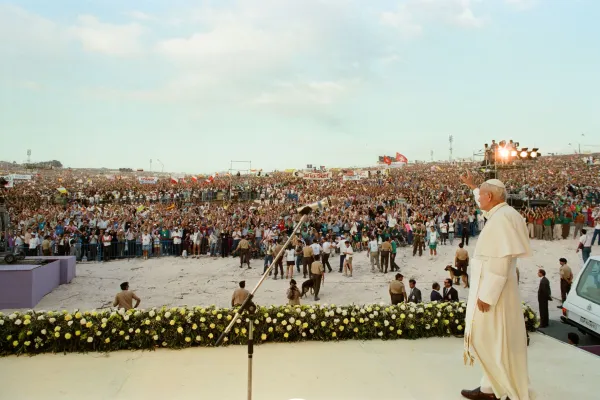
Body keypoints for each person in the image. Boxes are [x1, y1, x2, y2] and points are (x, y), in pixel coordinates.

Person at [460, 171, 532, 400]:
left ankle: (504, 390)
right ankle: (488, 388)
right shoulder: (503, 213)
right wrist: (473, 186)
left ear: (490, 196)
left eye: (481, 195)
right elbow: (484, 208)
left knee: (489, 340)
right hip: (497, 289)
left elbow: (500, 261)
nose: (478, 200)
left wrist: (487, 296)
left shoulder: (501, 220)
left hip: (494, 294)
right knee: (492, 341)